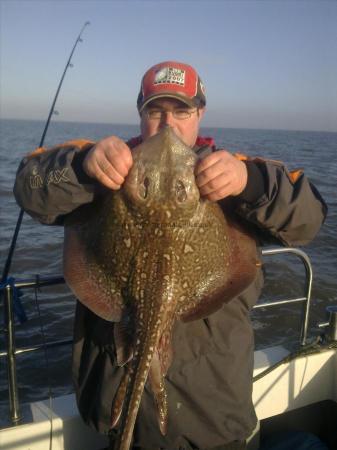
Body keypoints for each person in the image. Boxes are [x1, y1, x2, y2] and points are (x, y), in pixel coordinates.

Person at [13, 61, 327, 450]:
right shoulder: (104, 168)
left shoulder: (236, 175)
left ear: (200, 114)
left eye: (181, 111)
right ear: (141, 112)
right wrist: (82, 165)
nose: (167, 125)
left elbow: (309, 218)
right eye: (156, 111)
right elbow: (30, 184)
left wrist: (249, 181)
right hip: (117, 405)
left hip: (213, 419)